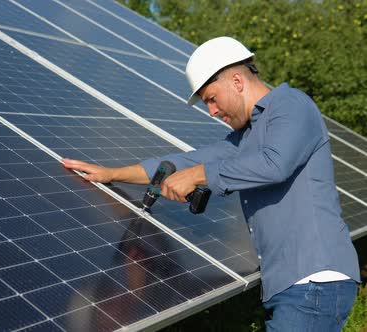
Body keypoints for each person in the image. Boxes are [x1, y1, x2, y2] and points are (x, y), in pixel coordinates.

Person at [63, 36, 360, 331]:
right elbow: (185, 163)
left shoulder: (291, 105)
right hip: (293, 284)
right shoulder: (247, 137)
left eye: (211, 99)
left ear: (237, 82)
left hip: (315, 280)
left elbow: (275, 164)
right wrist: (112, 174)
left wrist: (197, 176)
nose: (212, 112)